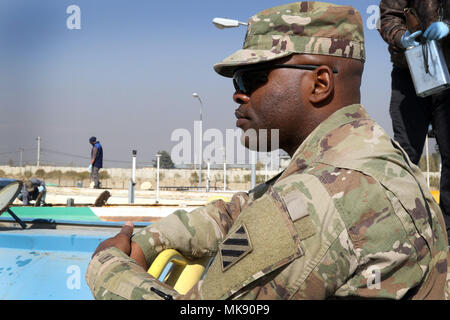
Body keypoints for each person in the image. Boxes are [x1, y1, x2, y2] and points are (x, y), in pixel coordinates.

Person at [86, 1, 450, 300]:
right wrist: (155, 238)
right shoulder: (365, 157)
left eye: (253, 78)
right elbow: (249, 207)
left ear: (319, 83)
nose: (238, 93)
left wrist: (109, 268)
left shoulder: (315, 200)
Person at [378, 0, 450, 242]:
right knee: (405, 153)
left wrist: (447, 26)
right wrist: (402, 37)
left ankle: (448, 235)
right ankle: (399, 230)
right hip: (410, 70)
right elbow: (388, 18)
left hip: (449, 70)